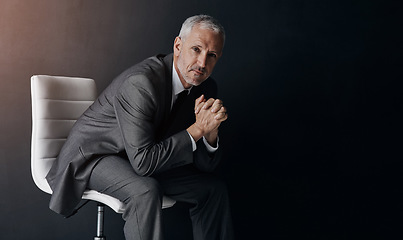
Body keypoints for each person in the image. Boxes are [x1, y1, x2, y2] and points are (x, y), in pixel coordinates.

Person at [46, 14, 233, 240]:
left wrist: (210, 134)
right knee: (145, 190)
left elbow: (204, 166)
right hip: (97, 155)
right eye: (196, 49)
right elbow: (144, 164)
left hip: (143, 154)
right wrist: (197, 130)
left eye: (211, 55)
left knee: (213, 189)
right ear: (178, 45)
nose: (202, 63)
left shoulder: (206, 87)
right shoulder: (141, 83)